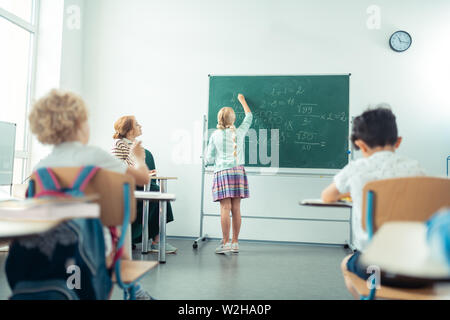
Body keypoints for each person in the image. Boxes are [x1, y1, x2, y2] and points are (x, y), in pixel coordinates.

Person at [14, 89, 153, 299]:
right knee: (115, 224)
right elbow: (143, 179)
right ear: (80, 125)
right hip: (94, 246)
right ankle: (133, 286)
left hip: (47, 248)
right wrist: (139, 157)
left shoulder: (41, 168)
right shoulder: (94, 156)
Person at [320, 105, 425, 298]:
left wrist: (350, 194)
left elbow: (327, 196)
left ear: (360, 145)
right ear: (398, 141)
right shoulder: (414, 168)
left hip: (374, 263)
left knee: (346, 264)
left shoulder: (356, 169)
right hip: (415, 266)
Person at [112, 116, 177, 253]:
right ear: (129, 130)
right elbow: (115, 168)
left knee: (158, 191)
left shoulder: (135, 145)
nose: (140, 126)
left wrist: (146, 173)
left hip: (137, 184)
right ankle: (156, 240)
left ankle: (156, 240)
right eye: (137, 124)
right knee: (156, 192)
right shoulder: (119, 144)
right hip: (125, 187)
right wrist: (139, 173)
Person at [205, 94, 253, 254]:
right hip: (238, 171)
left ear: (219, 119)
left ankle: (225, 243)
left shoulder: (215, 135)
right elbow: (249, 116)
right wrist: (243, 101)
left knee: (225, 208)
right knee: (236, 209)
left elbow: (209, 157)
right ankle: (235, 243)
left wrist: (207, 160)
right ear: (233, 120)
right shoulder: (239, 132)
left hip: (222, 172)